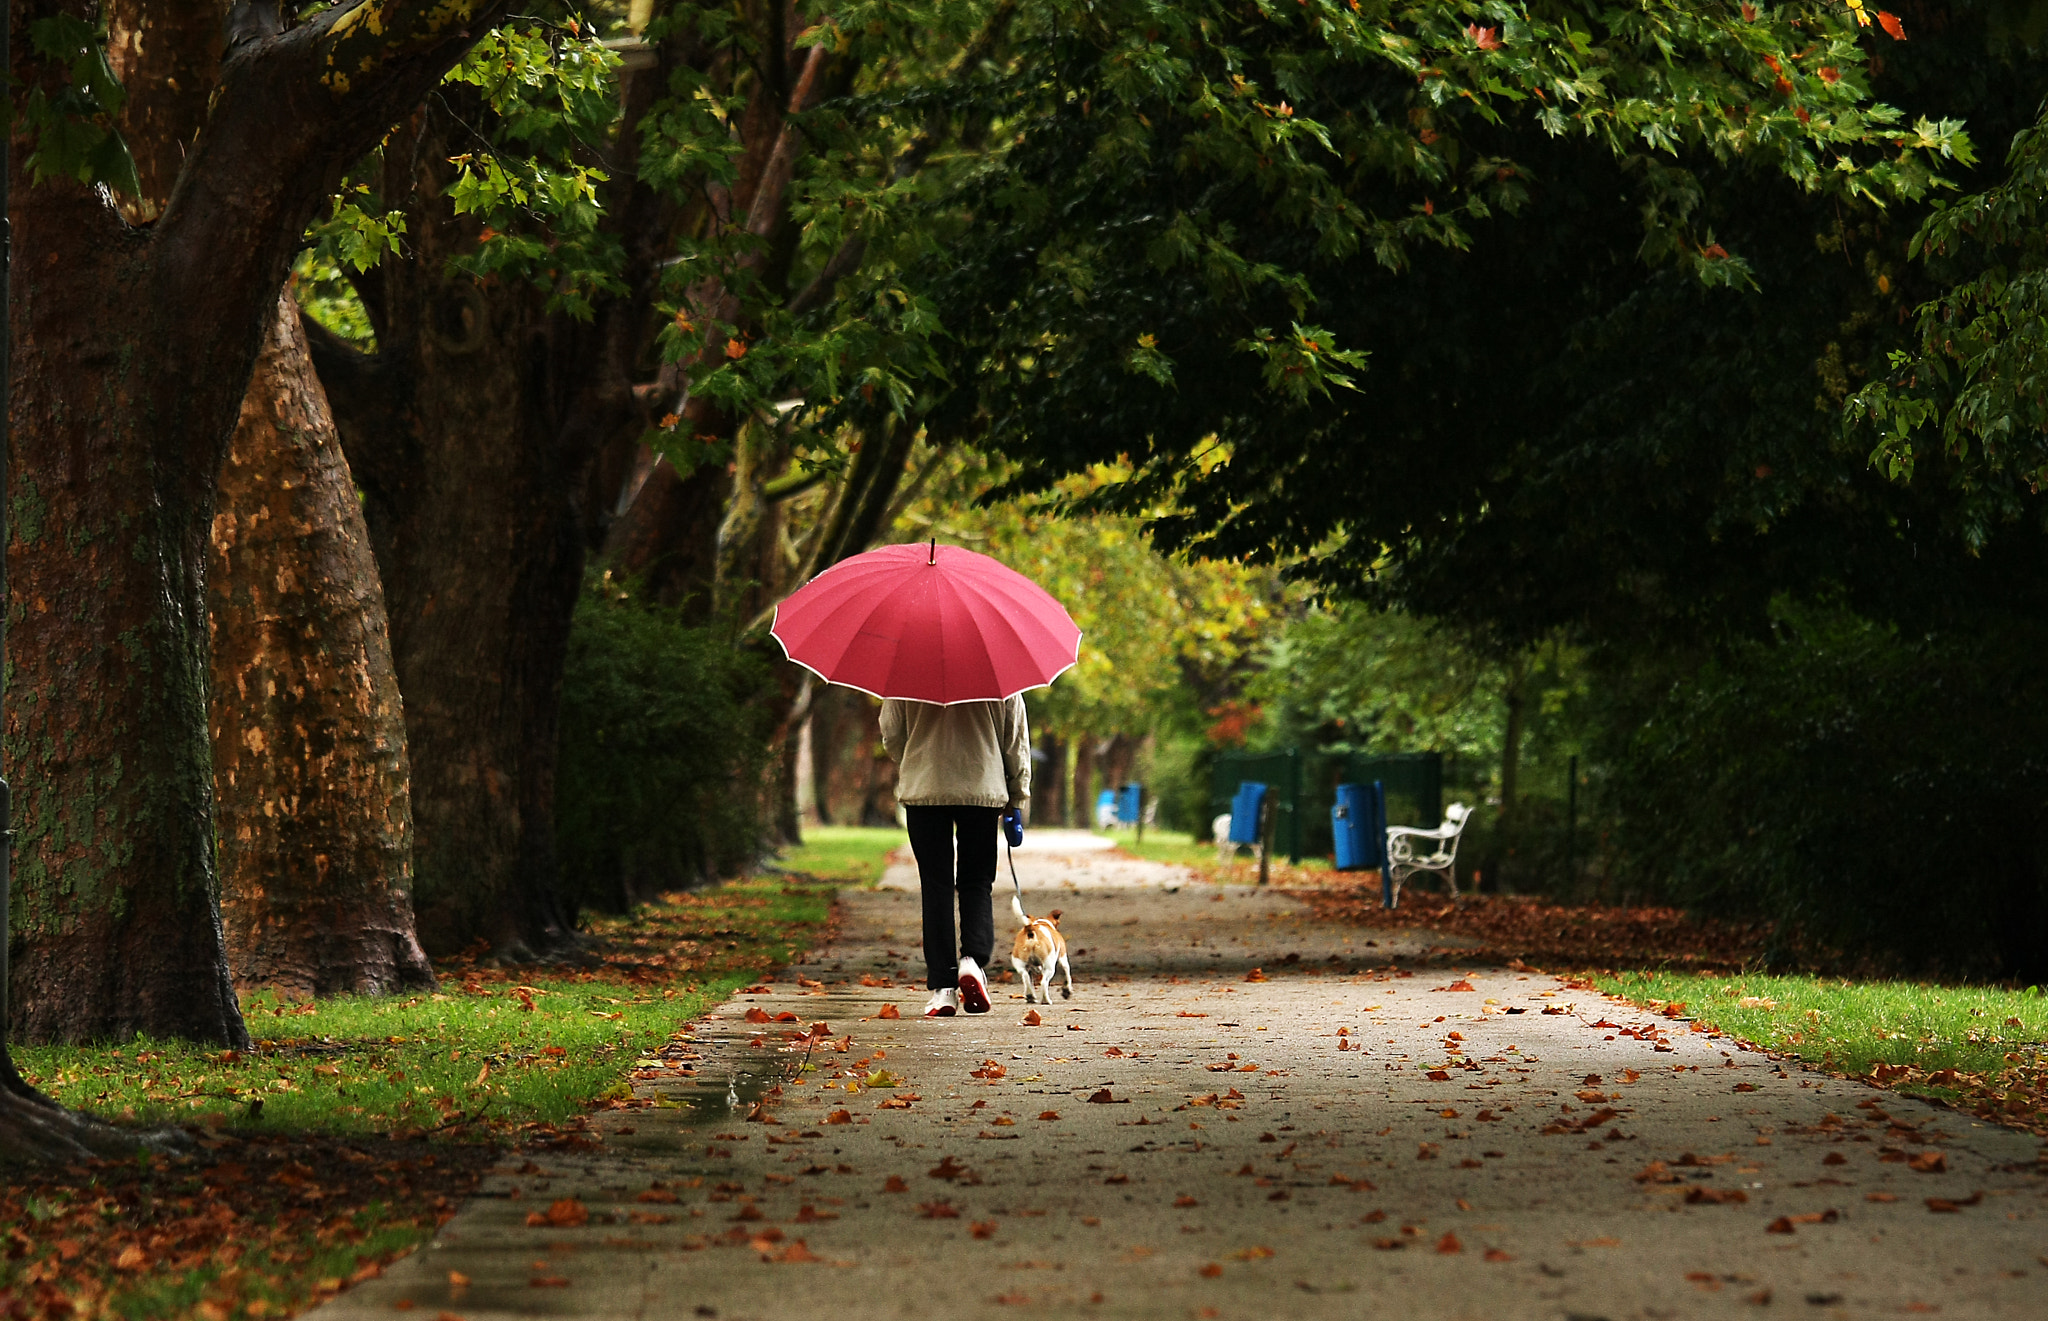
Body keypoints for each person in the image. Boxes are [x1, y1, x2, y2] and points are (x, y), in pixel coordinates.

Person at [879, 694, 1031, 1017]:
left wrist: (914, 759)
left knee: (936, 885)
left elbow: (891, 732)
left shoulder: (907, 665)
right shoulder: (998, 664)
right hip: (981, 787)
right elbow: (1014, 736)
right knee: (976, 880)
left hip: (925, 787)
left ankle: (943, 989)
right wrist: (1017, 795)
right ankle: (972, 962)